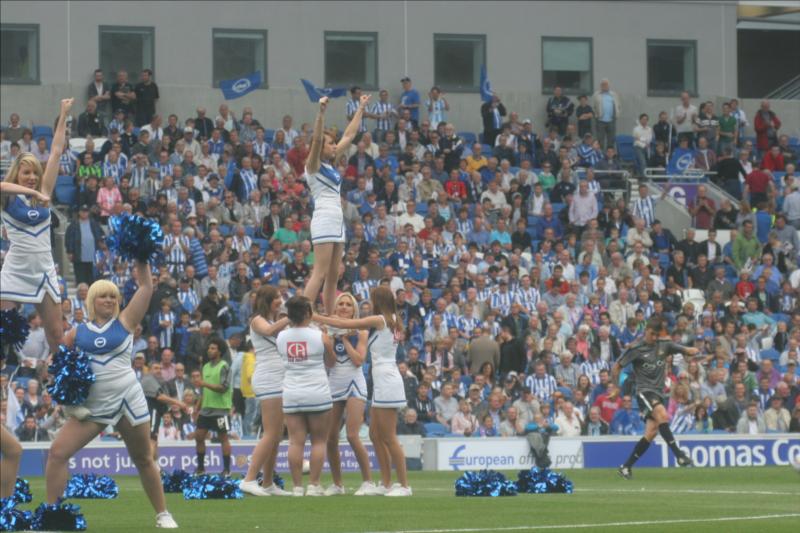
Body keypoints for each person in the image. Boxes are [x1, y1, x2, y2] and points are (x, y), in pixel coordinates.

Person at [44, 260, 178, 528]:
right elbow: (56, 363)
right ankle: (52, 514)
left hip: (129, 399)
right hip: (95, 406)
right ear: (92, 300)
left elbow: (146, 287)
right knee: (58, 453)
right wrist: (66, 390)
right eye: (103, 295)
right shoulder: (76, 333)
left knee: (143, 458)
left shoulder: (125, 321)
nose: (108, 299)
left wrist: (141, 256)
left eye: (112, 296)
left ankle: (163, 513)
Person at [314, 286, 412, 496]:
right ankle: (385, 484)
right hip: (381, 380)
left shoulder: (381, 319)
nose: (369, 301)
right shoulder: (390, 320)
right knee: (376, 435)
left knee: (389, 437)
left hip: (386, 380)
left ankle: (404, 486)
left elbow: (343, 323)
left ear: (379, 300)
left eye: (372, 298)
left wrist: (313, 315)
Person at [1, 98, 73, 356]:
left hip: (43, 271)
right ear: (17, 175)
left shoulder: (43, 190)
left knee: (56, 336)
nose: (32, 177)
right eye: (26, 173)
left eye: (34, 173)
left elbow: (55, 152)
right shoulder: (8, 198)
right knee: (2, 333)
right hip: (15, 271)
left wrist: (63, 115)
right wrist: (34, 194)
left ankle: (61, 393)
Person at [303, 94, 370, 314]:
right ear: (321, 147)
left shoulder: (330, 164)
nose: (335, 146)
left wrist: (360, 108)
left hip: (337, 219)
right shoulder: (312, 166)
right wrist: (320, 114)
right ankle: (301, 313)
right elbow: (315, 141)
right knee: (320, 272)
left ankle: (330, 317)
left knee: (333, 276)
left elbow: (350, 134)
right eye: (331, 143)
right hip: (323, 217)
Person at [612, 318, 700, 479]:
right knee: (663, 416)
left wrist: (690, 350)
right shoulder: (636, 349)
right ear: (646, 331)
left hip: (658, 394)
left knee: (651, 432)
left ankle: (625, 467)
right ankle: (679, 454)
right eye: (652, 334)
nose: (654, 338)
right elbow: (617, 366)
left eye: (656, 335)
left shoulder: (664, 345)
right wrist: (616, 387)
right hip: (644, 392)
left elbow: (684, 349)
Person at [277, 296, 335, 496]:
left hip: (292, 392)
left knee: (295, 442)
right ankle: (314, 485)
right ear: (309, 313)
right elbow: (331, 362)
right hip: (317, 392)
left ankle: (296, 487)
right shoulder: (319, 334)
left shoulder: (281, 337)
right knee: (319, 441)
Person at [239, 286, 292, 497]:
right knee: (271, 433)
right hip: (268, 378)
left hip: (279, 378)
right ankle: (249, 478)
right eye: (277, 297)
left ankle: (268, 482)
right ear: (267, 300)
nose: (280, 300)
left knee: (277, 434)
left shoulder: (274, 321)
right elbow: (269, 332)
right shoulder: (257, 319)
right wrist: (291, 317)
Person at [324, 293, 376, 496]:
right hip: (334, 382)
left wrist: (345, 340)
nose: (344, 307)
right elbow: (330, 363)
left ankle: (368, 482)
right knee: (330, 438)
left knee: (353, 435)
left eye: (348, 304)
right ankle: (337, 484)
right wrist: (329, 343)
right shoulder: (328, 329)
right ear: (335, 308)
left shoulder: (361, 330)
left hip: (355, 383)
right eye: (340, 304)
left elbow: (358, 360)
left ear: (354, 309)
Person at [194, 338, 233, 476]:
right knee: (199, 437)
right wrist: (197, 408)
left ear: (220, 351)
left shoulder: (224, 366)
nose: (210, 350)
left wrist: (204, 384)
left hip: (221, 409)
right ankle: (200, 468)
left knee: (223, 438)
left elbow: (223, 388)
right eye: (209, 348)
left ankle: (227, 469)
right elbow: (204, 391)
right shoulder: (205, 367)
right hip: (206, 409)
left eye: (213, 348)